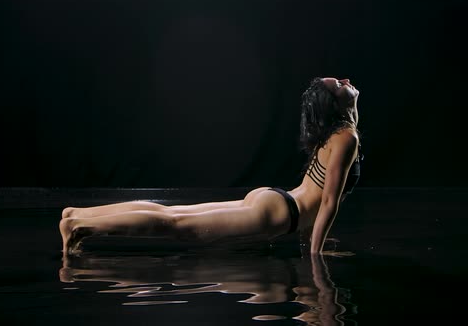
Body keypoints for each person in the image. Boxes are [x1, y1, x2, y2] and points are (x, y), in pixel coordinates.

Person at [59, 77, 362, 255]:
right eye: (339, 84)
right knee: (176, 225)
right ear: (335, 103)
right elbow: (327, 200)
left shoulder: (336, 135)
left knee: (173, 215)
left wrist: (312, 237)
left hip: (275, 201)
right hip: (280, 211)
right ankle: (79, 225)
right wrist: (315, 254)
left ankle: (77, 215)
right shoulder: (346, 137)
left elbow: (316, 191)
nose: (346, 81)